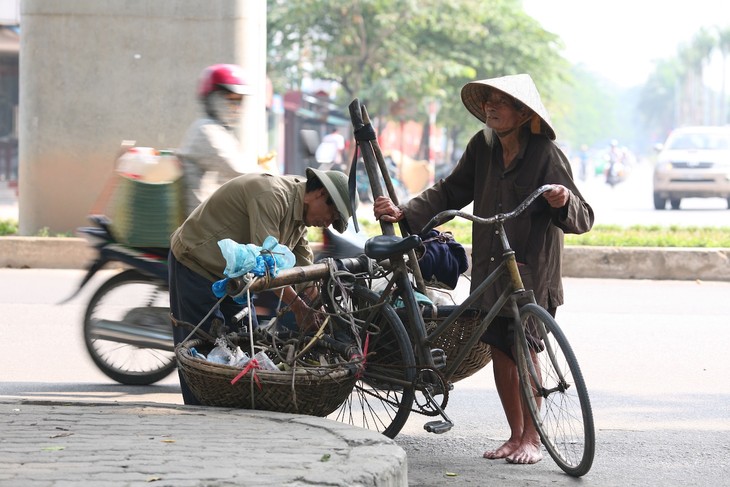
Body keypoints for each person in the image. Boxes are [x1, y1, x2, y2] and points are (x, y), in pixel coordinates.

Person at [373, 74, 594, 465]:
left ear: (523, 113)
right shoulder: (483, 146)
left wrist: (562, 200)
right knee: (499, 350)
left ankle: (532, 438)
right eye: (488, 101)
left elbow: (583, 217)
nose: (491, 107)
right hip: (492, 262)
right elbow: (450, 190)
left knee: (524, 347)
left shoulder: (546, 154)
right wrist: (405, 210)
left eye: (501, 102)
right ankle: (514, 434)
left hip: (531, 269)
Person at [169, 168, 353, 405]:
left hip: (235, 280)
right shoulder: (271, 196)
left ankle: (238, 415)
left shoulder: (299, 221)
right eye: (332, 214)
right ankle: (201, 417)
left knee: (249, 345)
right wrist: (298, 309)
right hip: (196, 264)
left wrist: (323, 314)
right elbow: (265, 269)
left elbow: (305, 274)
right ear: (317, 194)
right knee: (202, 355)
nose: (328, 224)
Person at [177, 63, 263, 215]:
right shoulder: (205, 130)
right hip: (200, 226)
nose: (236, 107)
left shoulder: (222, 132)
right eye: (230, 99)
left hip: (212, 221)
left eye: (239, 101)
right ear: (211, 99)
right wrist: (278, 179)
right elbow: (238, 171)